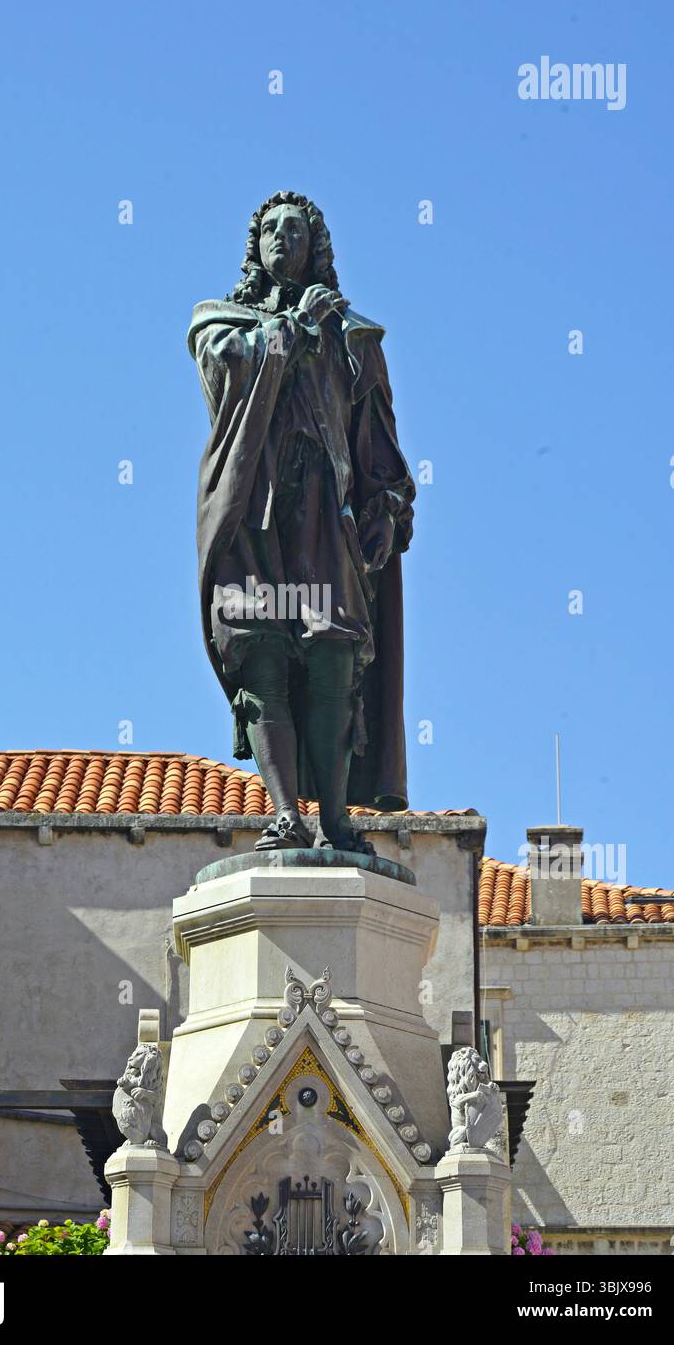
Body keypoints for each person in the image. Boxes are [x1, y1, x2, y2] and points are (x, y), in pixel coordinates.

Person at [189, 191, 415, 852]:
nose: (283, 238)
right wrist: (296, 328)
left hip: (324, 515)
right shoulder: (219, 321)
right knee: (258, 652)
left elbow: (377, 442)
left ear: (318, 248)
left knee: (331, 656)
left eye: (296, 230)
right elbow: (227, 372)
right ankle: (286, 813)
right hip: (251, 515)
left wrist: (390, 506)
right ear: (253, 246)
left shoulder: (354, 336)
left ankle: (336, 820)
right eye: (270, 230)